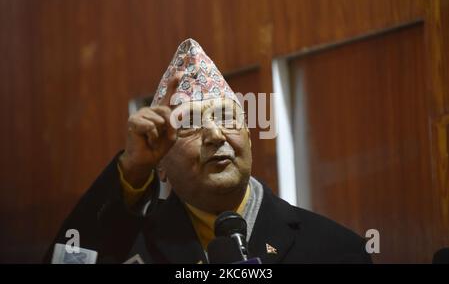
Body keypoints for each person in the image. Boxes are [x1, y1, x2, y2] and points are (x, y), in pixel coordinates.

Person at [44, 39, 372, 264]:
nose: (215, 134)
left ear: (249, 135)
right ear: (160, 166)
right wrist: (131, 170)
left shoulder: (334, 249)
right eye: (189, 124)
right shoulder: (130, 249)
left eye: (227, 117)